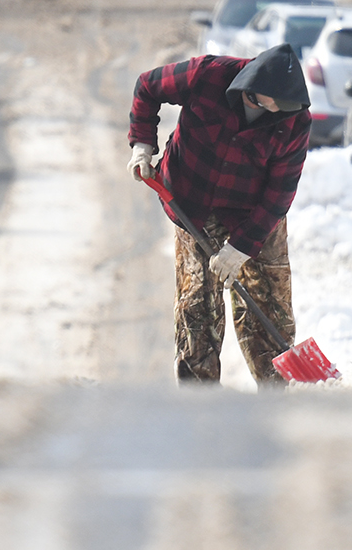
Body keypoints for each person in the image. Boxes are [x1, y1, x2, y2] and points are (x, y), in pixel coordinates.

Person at [128, 43, 311, 384]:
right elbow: (148, 86)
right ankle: (201, 403)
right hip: (192, 203)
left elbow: (279, 193)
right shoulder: (207, 75)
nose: (267, 111)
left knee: (270, 309)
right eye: (259, 102)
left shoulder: (295, 121)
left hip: (253, 214)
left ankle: (275, 398)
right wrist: (142, 144)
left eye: (277, 107)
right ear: (247, 86)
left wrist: (242, 247)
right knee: (197, 308)